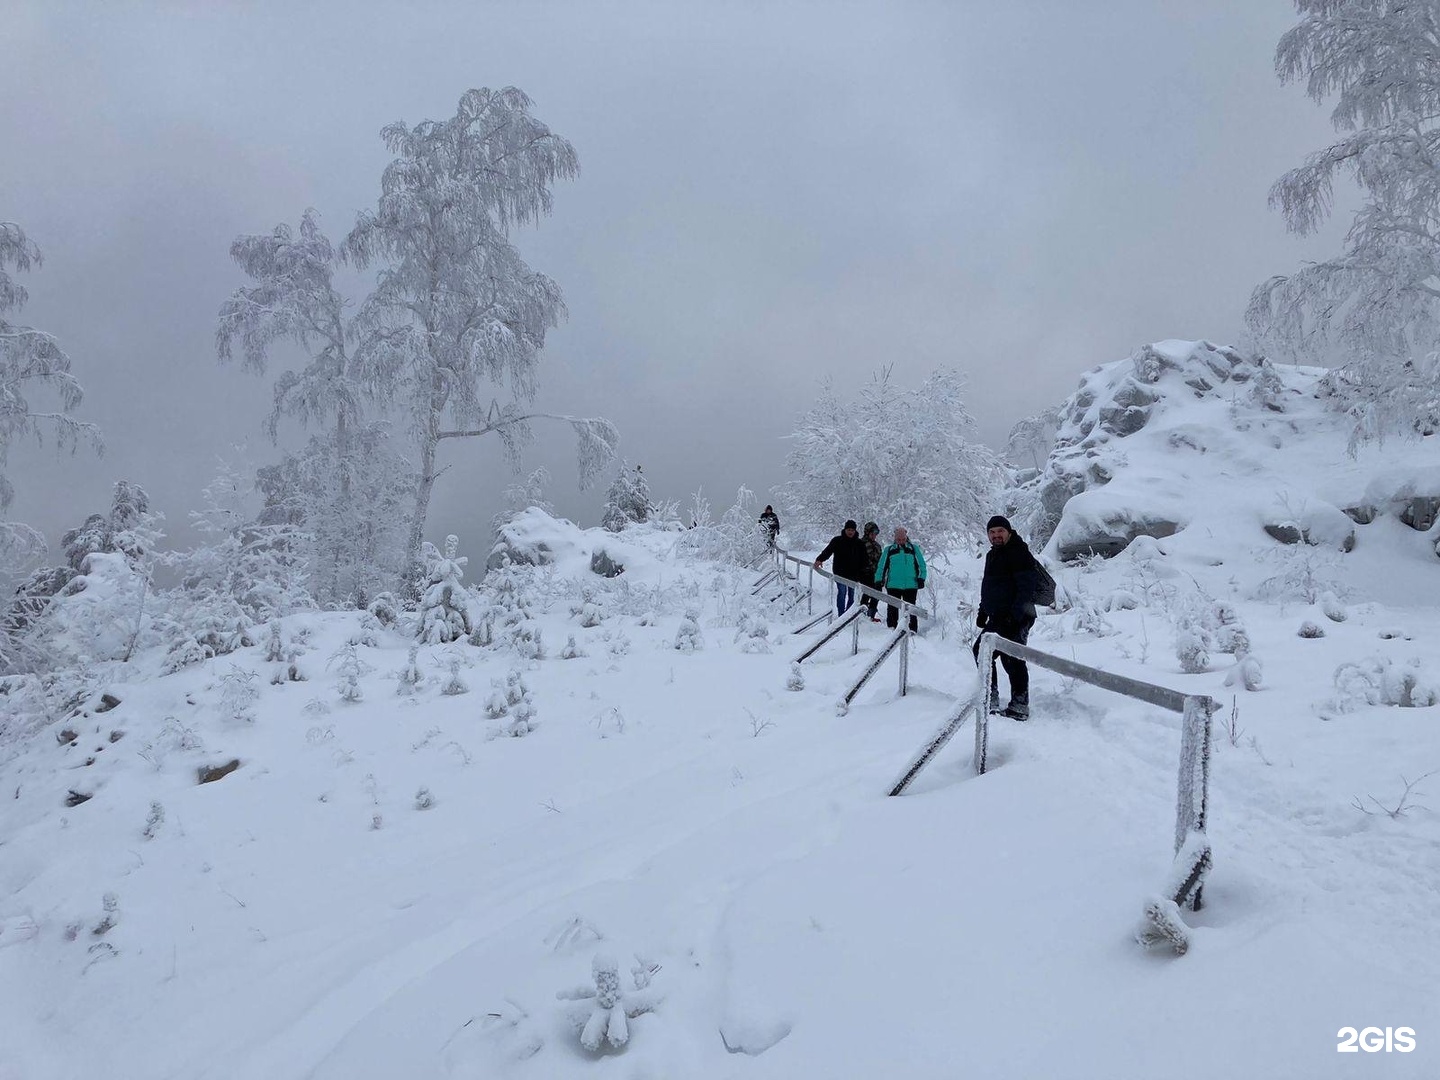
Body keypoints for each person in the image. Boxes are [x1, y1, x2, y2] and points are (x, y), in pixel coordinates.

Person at [974, 515, 1040, 720]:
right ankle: (991, 697)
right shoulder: (993, 555)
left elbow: (1026, 588)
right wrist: (982, 611)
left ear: (1009, 532)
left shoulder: (1018, 552)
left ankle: (1019, 705)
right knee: (983, 651)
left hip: (1017, 616)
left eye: (1000, 531)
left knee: (1011, 658)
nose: (996, 535)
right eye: (992, 532)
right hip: (999, 616)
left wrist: (1015, 616)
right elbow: (990, 586)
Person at [874, 525, 925, 632]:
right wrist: (878, 579)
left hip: (911, 584)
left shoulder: (913, 549)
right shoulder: (889, 550)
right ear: (895, 539)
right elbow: (881, 566)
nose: (901, 541)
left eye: (903, 539)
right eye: (898, 539)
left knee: (911, 609)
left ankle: (912, 630)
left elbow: (922, 565)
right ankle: (892, 629)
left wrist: (921, 578)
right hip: (893, 585)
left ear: (906, 538)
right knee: (892, 608)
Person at [813, 519, 867, 615]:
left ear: (855, 531)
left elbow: (864, 559)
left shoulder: (859, 543)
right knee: (842, 593)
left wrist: (863, 573)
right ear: (845, 529)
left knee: (852, 595)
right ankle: (841, 614)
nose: (850, 532)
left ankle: (848, 615)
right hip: (840, 572)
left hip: (854, 574)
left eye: (852, 530)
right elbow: (828, 551)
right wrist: (819, 559)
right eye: (848, 530)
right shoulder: (837, 540)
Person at [861, 522, 883, 621]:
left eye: (876, 533)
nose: (874, 535)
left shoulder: (877, 546)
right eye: (872, 533)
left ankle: (871, 615)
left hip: (876, 575)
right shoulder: (860, 544)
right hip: (865, 575)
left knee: (877, 594)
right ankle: (862, 615)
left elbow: (881, 561)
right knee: (866, 594)